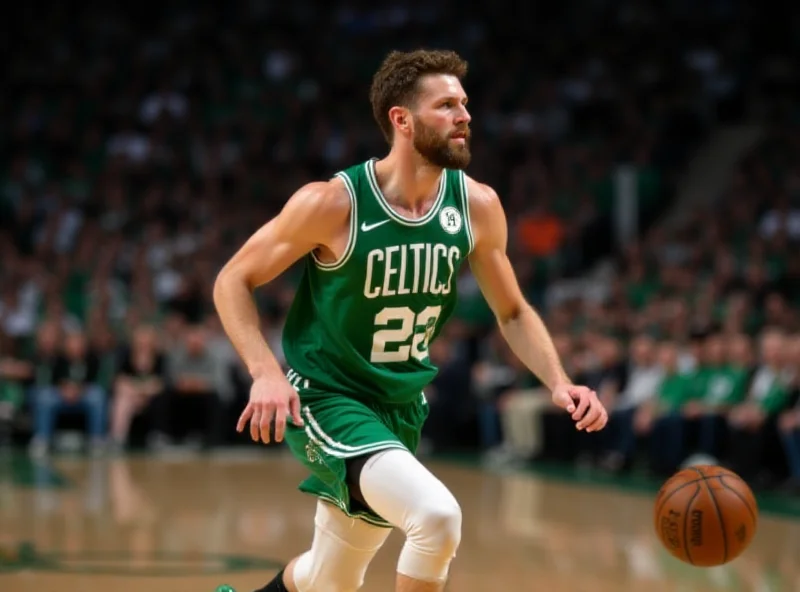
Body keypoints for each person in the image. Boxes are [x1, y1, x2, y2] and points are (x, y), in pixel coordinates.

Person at [213, 49, 608, 592]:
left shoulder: (477, 206)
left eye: (465, 104)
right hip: (328, 397)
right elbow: (232, 279)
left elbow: (512, 310)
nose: (465, 116)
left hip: (399, 407)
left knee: (330, 580)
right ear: (402, 120)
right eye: (447, 105)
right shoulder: (333, 203)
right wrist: (264, 371)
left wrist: (560, 383)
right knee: (437, 518)